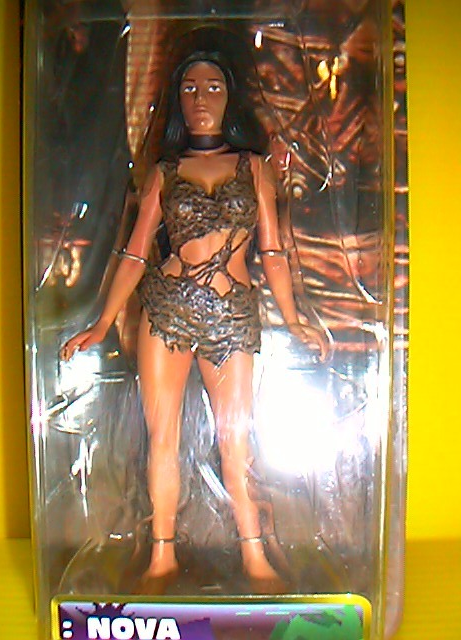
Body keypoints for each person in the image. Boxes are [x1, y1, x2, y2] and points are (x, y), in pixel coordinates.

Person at [62, 50, 328, 594]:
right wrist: (103, 322)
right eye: (189, 88)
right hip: (167, 309)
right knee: (163, 437)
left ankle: (255, 556)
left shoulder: (255, 168)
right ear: (177, 101)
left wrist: (295, 319)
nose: (200, 99)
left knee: (237, 442)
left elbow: (273, 252)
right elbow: (135, 254)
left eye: (212, 87)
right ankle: (160, 556)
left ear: (230, 96)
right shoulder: (165, 173)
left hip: (232, 315)